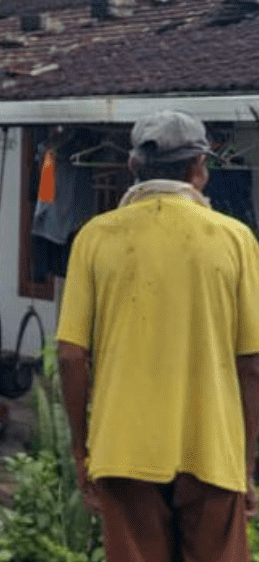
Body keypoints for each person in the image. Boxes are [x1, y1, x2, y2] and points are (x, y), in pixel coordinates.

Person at [57, 109, 259, 562]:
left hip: (123, 450)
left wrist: (81, 451)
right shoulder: (236, 239)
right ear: (199, 168)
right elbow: (252, 364)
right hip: (213, 451)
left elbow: (70, 357)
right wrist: (245, 465)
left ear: (133, 166)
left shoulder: (95, 237)